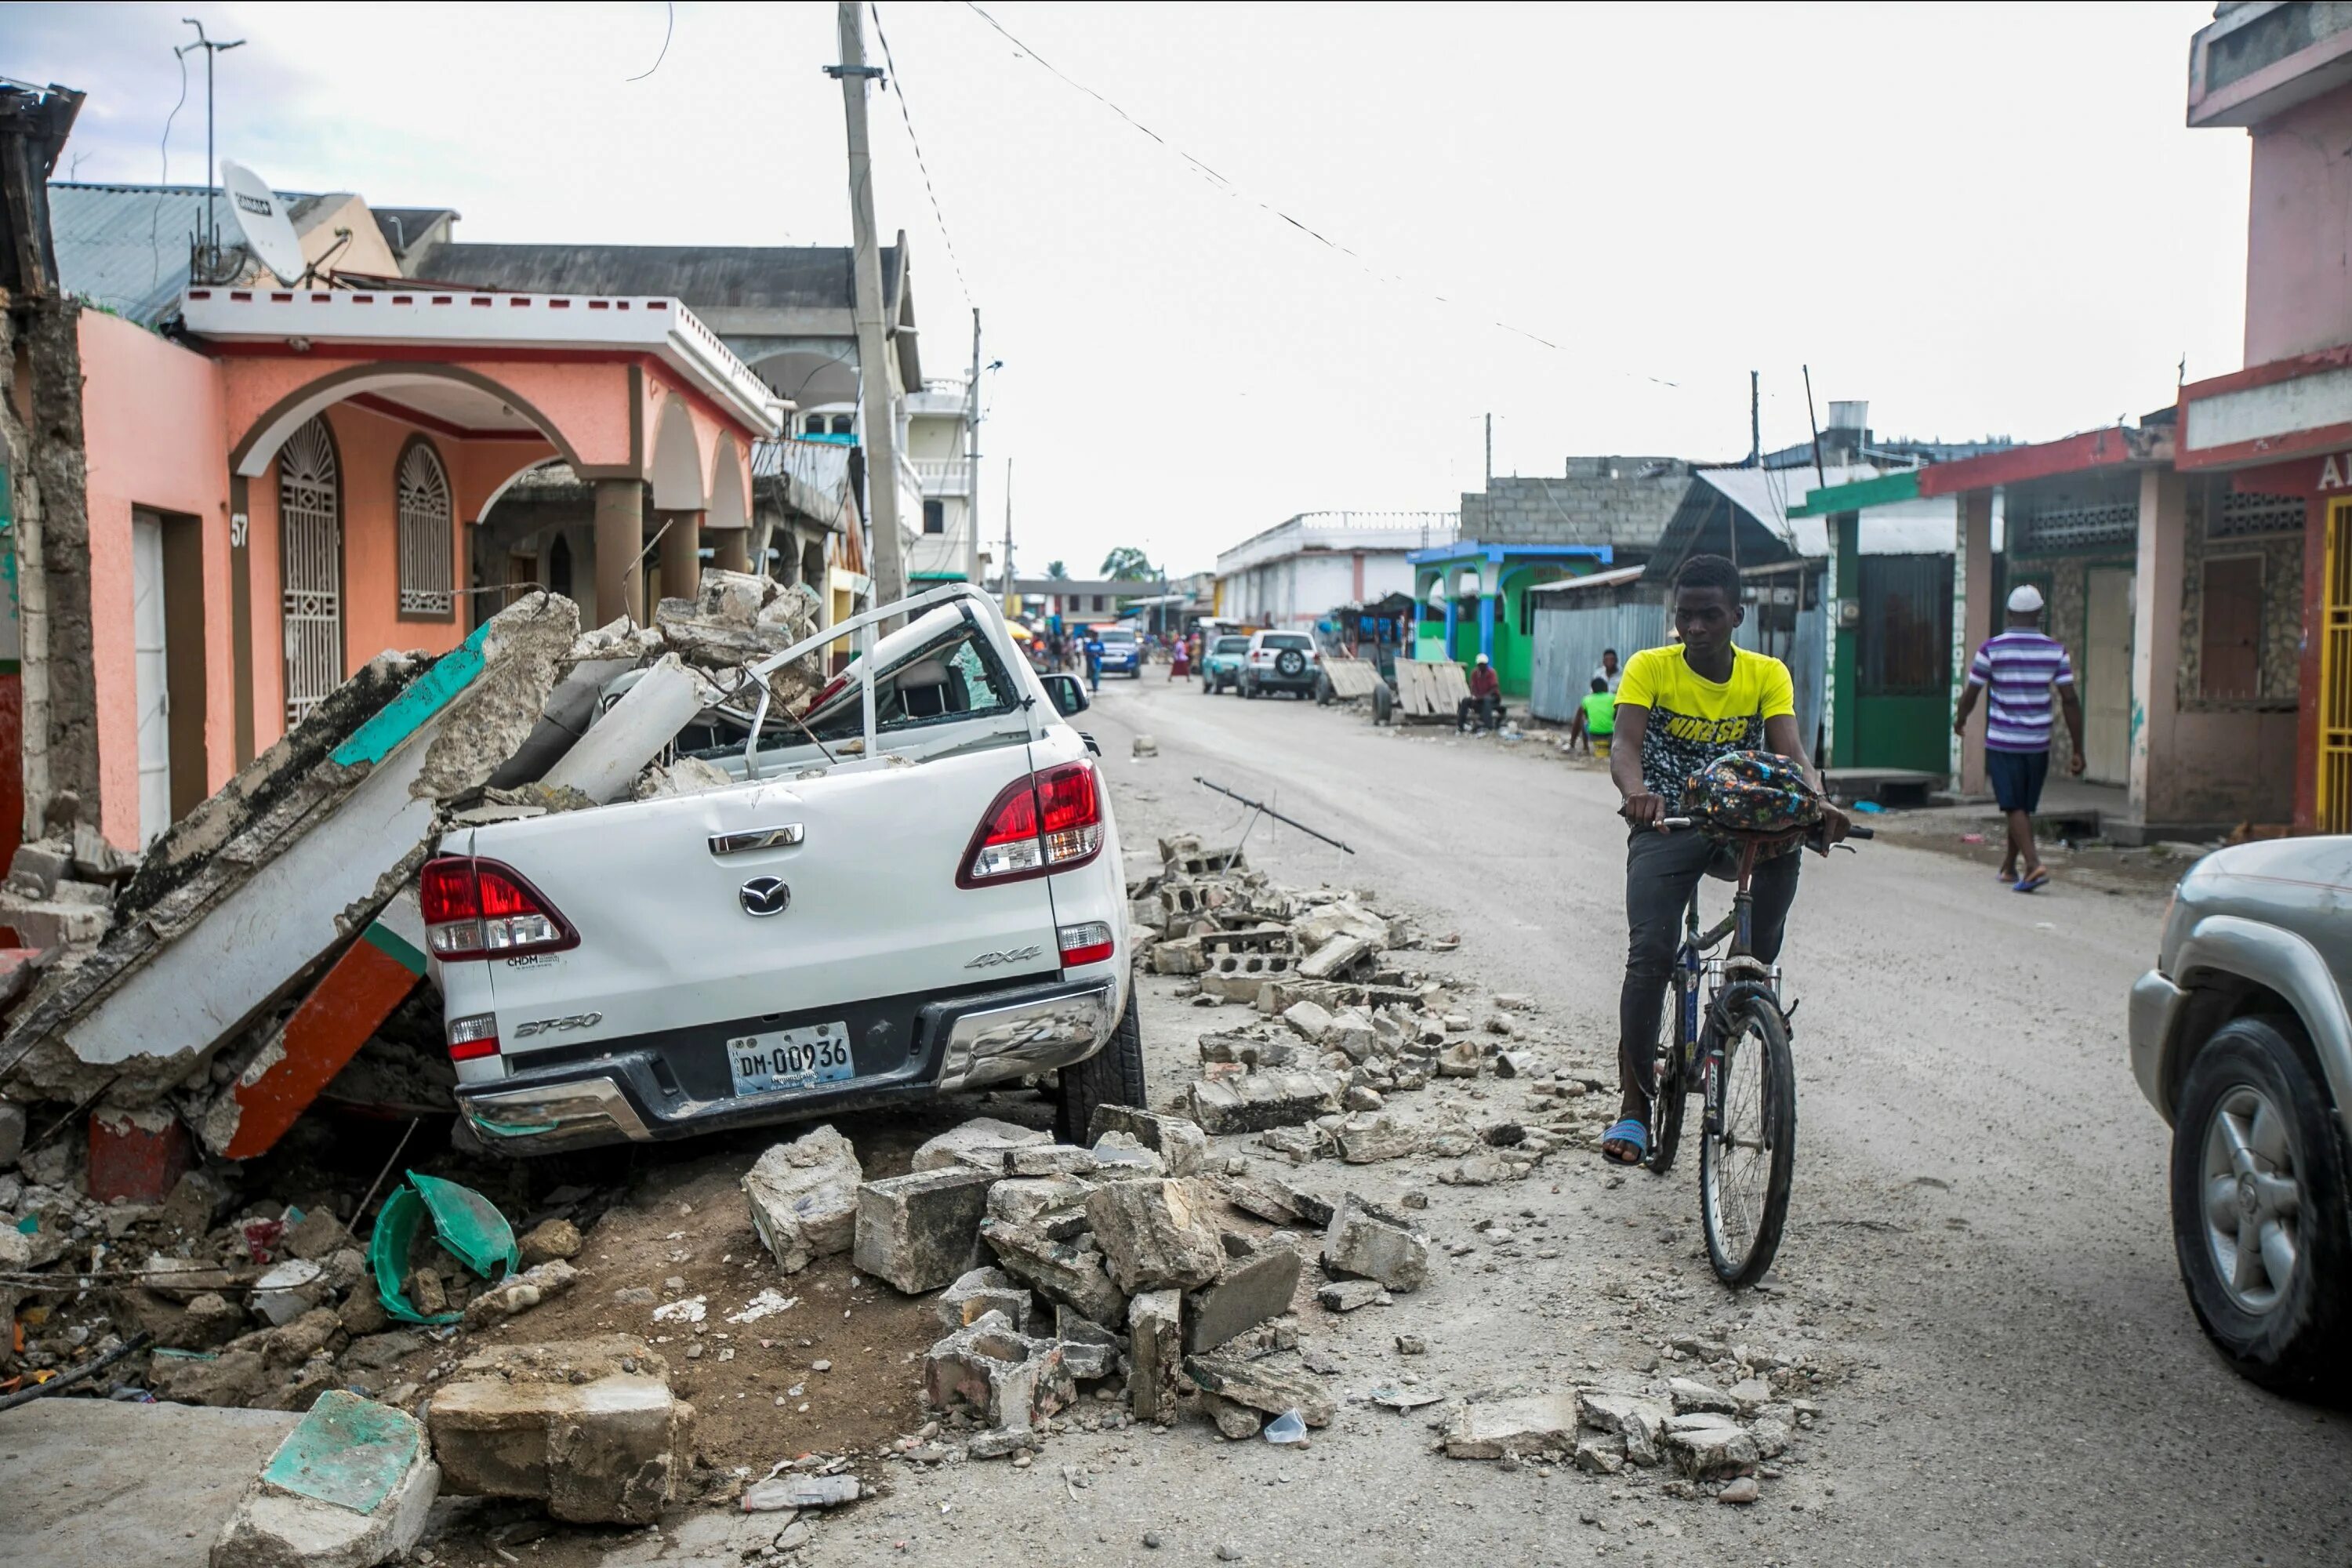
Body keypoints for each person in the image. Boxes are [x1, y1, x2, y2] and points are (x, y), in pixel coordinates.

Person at [1602, 554, 1848, 1167]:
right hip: (1668, 821)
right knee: (1652, 956)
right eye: (1685, 615)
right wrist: (1637, 795)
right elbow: (1625, 747)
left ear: (1738, 615)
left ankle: (1736, 1011)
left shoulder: (1766, 674)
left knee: (1757, 952)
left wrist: (1817, 803)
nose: (1696, 627)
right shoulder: (1648, 668)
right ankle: (1634, 1107)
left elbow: (1790, 754)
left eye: (1711, 615)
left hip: (1742, 824)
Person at [1952, 583, 2084, 893]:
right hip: (2038, 743)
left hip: (2003, 741)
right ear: (2040, 614)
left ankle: (2033, 864)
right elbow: (2070, 700)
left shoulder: (1992, 649)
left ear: (2010, 614)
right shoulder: (2056, 650)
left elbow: (1971, 693)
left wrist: (1960, 720)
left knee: (2013, 806)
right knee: (2022, 806)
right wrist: (2078, 749)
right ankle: (2010, 867)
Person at [1567, 675, 1616, 757]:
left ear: (1592, 690)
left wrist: (1572, 743)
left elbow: (1580, 719)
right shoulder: (1613, 698)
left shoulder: (1587, 700)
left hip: (1593, 735)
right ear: (1606, 688)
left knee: (1582, 719)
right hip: (1612, 735)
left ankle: (1585, 748)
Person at [1457, 652, 1501, 731]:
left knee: (1486, 700)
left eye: (1483, 664)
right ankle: (1460, 726)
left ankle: (1489, 726)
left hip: (1493, 697)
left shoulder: (1491, 673)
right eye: (1480, 664)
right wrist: (1474, 696)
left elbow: (1494, 688)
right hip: (1479, 697)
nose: (1481, 666)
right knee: (1465, 700)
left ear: (1486, 664)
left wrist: (1483, 697)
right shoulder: (1475, 673)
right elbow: (1473, 687)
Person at [1083, 629, 1104, 693]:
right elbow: (1085, 652)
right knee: (1092, 676)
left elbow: (1103, 652)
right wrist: (1092, 654)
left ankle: (1096, 687)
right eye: (1094, 636)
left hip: (1098, 662)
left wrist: (1099, 653)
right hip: (1091, 662)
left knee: (1096, 675)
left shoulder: (1100, 644)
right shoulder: (1089, 644)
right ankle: (1094, 686)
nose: (1095, 638)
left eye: (1096, 636)